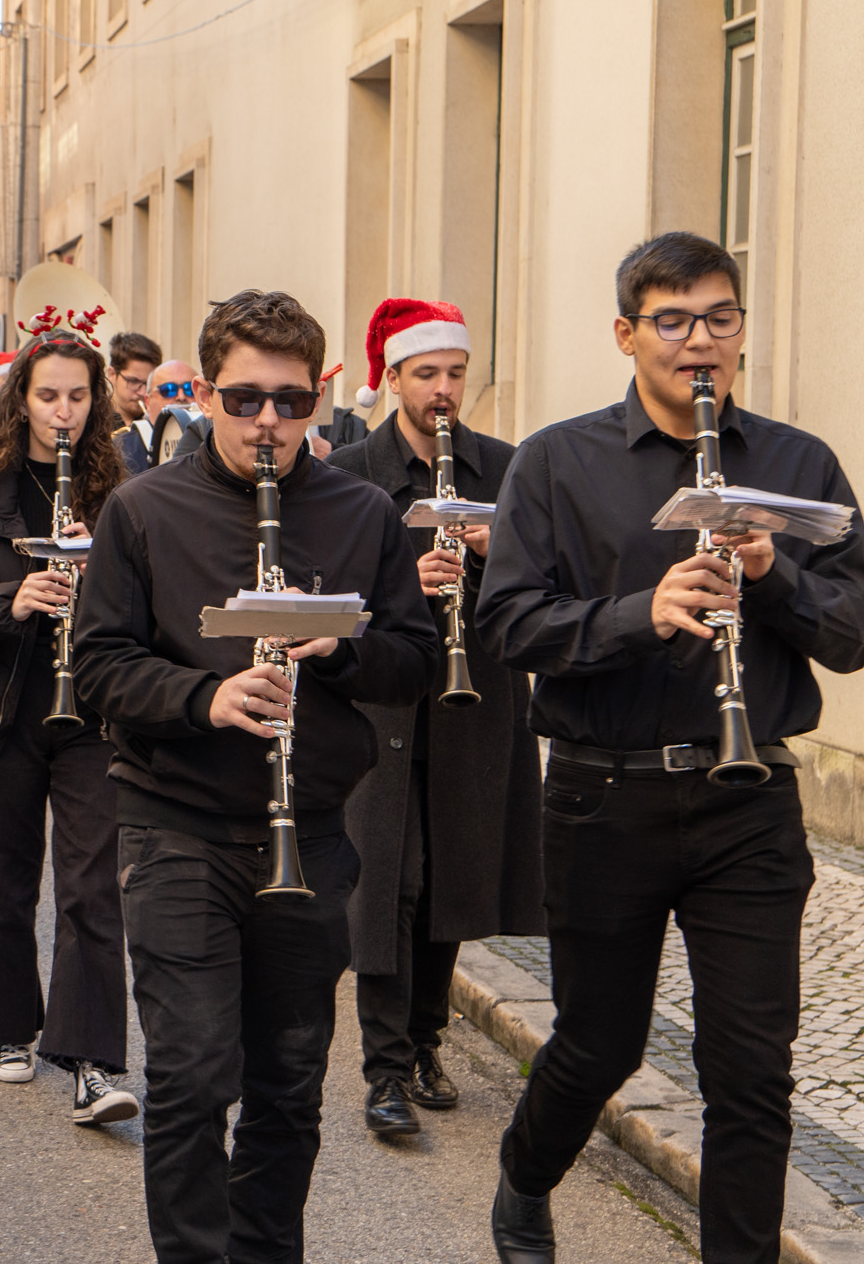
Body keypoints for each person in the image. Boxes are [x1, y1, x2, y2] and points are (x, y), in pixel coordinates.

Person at [478, 232, 864, 1264]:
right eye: (671, 321)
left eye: (718, 317)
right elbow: (509, 627)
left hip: (746, 803)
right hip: (599, 797)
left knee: (748, 1069)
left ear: (739, 328)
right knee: (597, 1042)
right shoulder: (554, 463)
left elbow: (849, 635)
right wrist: (637, 615)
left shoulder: (797, 466)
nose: (698, 342)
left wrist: (773, 573)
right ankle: (524, 1175)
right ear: (626, 334)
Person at [72, 288, 438, 1263]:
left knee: (288, 1083)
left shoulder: (361, 514)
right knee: (192, 1079)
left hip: (309, 833)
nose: (266, 422)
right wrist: (206, 699)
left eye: (287, 401)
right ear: (208, 394)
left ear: (315, 397)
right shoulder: (141, 510)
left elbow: (414, 659)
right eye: (242, 400)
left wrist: (341, 643)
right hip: (175, 823)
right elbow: (98, 664)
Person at [324, 299, 544, 1140]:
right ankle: (382, 1067)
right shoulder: (348, 469)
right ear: (392, 378)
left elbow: (541, 592)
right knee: (391, 878)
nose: (445, 389)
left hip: (475, 696)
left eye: (455, 372)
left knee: (455, 871)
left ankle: (424, 1040)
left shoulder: (505, 467)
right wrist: (402, 585)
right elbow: (327, 591)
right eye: (427, 374)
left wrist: (494, 558)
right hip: (380, 697)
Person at [0, 311, 140, 1126]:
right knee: (9, 884)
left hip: (90, 712)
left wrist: (102, 563)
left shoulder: (121, 492)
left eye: (78, 396)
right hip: (4, 711)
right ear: (22, 402)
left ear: (95, 404)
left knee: (91, 887)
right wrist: (14, 596)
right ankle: (11, 1026)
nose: (63, 411)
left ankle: (93, 1059)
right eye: (48, 395)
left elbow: (152, 606)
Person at [107, 332, 161, 473]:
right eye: (133, 381)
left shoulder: (158, 424)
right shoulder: (94, 421)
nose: (143, 392)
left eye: (148, 383)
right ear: (112, 375)